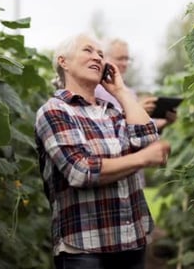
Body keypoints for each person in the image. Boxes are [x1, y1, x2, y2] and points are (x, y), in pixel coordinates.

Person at [34, 32, 171, 269]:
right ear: (63, 61)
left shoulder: (114, 112)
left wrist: (120, 92)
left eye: (100, 54)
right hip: (85, 247)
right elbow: (81, 170)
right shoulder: (54, 111)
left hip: (131, 241)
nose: (97, 57)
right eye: (88, 50)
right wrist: (141, 159)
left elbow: (147, 138)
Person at [95, 38, 177, 132]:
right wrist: (135, 110)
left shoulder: (130, 92)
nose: (125, 63)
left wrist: (166, 121)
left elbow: (142, 129)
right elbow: (102, 128)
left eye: (127, 59)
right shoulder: (96, 89)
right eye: (120, 58)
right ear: (104, 58)